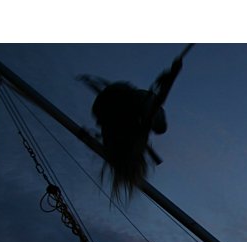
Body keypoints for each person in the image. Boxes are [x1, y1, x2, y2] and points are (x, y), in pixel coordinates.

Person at [78, 45, 192, 199]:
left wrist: (172, 75)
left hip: (115, 111)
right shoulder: (136, 122)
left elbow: (157, 105)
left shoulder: (117, 133)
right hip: (122, 110)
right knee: (157, 124)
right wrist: (173, 75)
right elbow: (158, 105)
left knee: (153, 123)